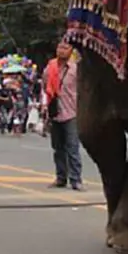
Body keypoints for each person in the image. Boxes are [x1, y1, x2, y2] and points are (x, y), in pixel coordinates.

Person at [46, 41, 83, 191]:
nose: (61, 50)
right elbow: (45, 88)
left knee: (73, 148)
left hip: (71, 113)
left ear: (71, 51)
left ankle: (76, 179)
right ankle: (61, 177)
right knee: (57, 148)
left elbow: (81, 90)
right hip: (55, 113)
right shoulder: (50, 67)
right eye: (59, 47)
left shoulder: (75, 69)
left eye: (65, 48)